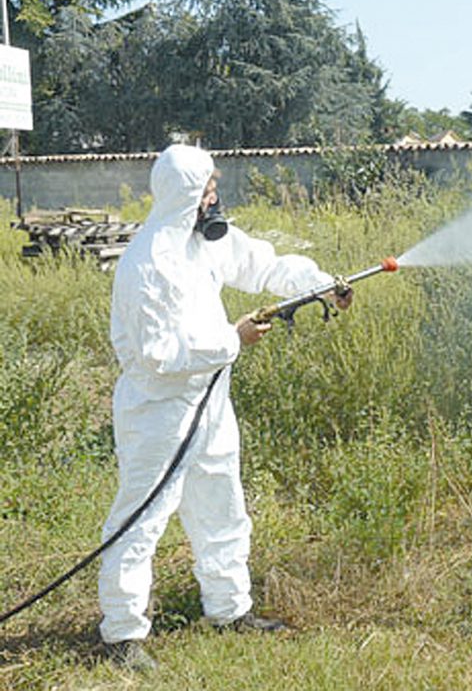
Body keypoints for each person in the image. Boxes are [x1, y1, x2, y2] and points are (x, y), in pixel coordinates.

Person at [98, 144, 351, 672]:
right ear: (187, 195)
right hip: (158, 412)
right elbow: (158, 354)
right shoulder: (147, 264)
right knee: (141, 521)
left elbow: (263, 264)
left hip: (210, 402)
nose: (216, 198)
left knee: (222, 508)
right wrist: (232, 339)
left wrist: (321, 286)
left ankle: (229, 610)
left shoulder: (205, 242)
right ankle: (122, 635)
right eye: (209, 189)